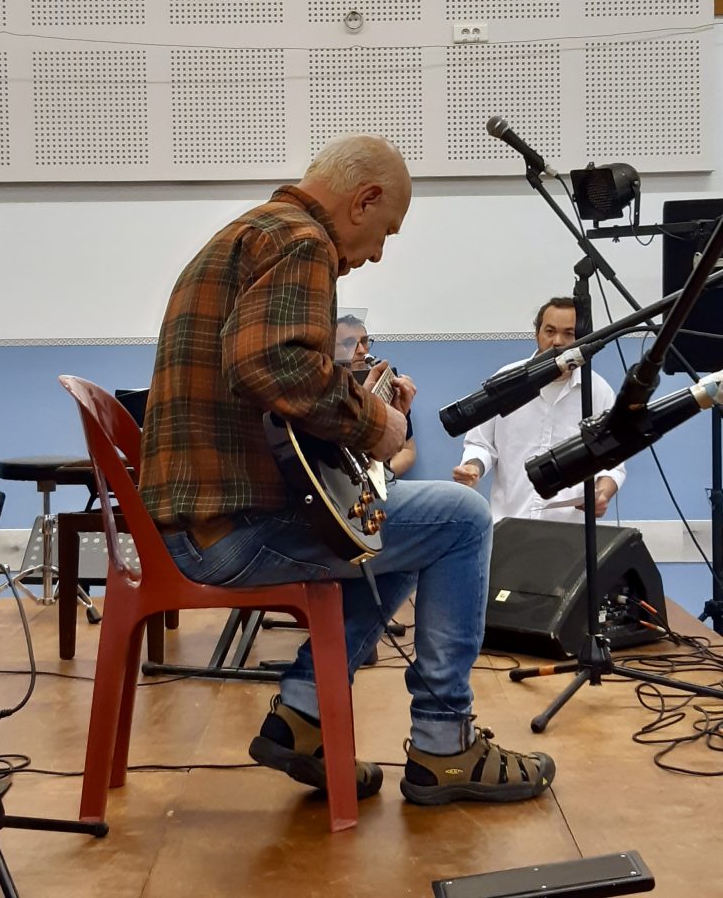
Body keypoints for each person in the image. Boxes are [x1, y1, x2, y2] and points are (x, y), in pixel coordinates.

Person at [140, 134, 555, 808]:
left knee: (376, 532)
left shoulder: (253, 233)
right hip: (230, 532)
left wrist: (363, 396)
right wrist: (376, 423)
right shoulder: (303, 241)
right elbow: (271, 366)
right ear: (363, 199)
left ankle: (302, 716)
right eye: (385, 230)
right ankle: (445, 742)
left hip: (205, 522)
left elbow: (263, 377)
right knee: (461, 518)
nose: (378, 252)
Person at [453, 296, 625, 522]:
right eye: (550, 331)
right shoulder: (505, 382)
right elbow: (480, 444)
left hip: (570, 531)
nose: (557, 341)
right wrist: (473, 468)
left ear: (582, 339)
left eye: (569, 333)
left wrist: (602, 493)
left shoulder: (598, 392)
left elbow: (612, 464)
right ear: (537, 334)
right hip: (509, 523)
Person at [335, 313, 417, 477]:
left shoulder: (387, 384)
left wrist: (383, 478)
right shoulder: (327, 389)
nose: (362, 351)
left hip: (383, 482)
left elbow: (408, 450)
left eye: (365, 342)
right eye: (350, 343)